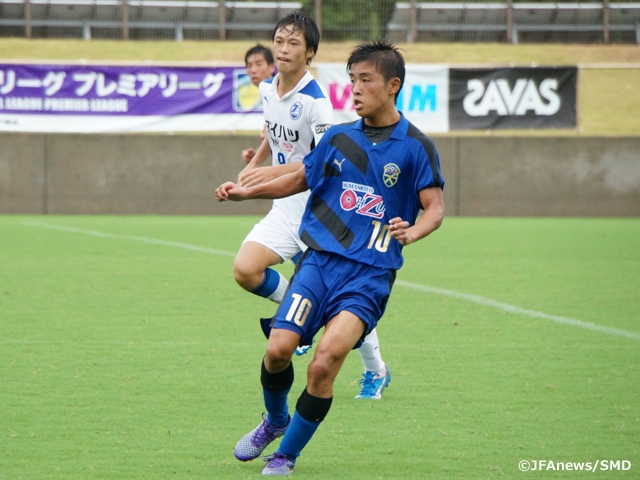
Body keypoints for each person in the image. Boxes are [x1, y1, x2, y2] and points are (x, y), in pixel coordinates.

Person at [215, 39, 445, 476]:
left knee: (324, 364)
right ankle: (276, 421)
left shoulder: (415, 146)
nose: (355, 89)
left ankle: (286, 456)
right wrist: (248, 191)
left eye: (366, 80)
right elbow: (300, 177)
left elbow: (433, 207)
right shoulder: (340, 137)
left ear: (393, 85)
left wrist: (412, 231)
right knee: (278, 350)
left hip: (370, 276)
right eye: (352, 80)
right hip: (319, 263)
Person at [233, 12, 391, 400]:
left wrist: (266, 177)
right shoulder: (270, 89)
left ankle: (376, 370)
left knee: (343, 308)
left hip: (318, 213)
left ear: (310, 53)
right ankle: (300, 313)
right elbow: (273, 133)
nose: (284, 49)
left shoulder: (316, 103)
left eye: (293, 44)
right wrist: (253, 165)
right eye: (280, 41)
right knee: (245, 270)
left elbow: (320, 162)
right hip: (282, 209)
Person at [241, 44, 276, 164]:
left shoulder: (279, 92)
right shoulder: (266, 93)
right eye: (249, 66)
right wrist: (257, 154)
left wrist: (255, 162)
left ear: (271, 67)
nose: (253, 70)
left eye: (259, 64)